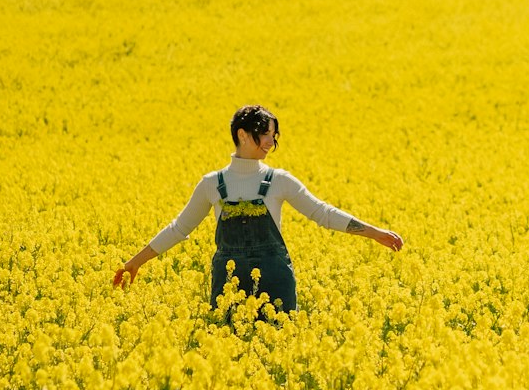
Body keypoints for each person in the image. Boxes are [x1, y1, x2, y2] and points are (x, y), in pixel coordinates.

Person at [113, 104, 403, 313]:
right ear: (242, 134)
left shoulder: (279, 180)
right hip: (229, 285)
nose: (270, 141)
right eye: (263, 134)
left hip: (276, 281)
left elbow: (322, 213)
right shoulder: (212, 184)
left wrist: (373, 232)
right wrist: (135, 262)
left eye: (273, 135)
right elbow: (179, 229)